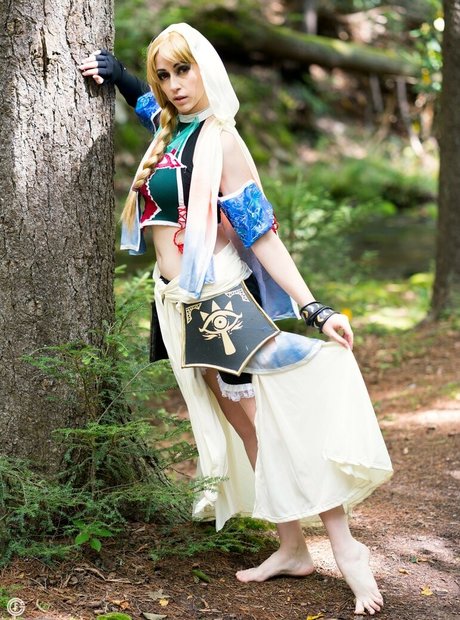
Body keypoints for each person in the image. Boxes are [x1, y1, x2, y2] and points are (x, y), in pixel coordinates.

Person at [79, 24, 393, 616]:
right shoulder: (171, 132)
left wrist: (314, 308)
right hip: (179, 305)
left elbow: (261, 233)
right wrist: (120, 75)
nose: (175, 84)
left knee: (274, 424)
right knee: (246, 427)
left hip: (221, 300)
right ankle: (292, 548)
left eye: (184, 69)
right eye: (165, 75)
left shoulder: (221, 142)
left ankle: (347, 550)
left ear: (207, 68)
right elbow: (150, 108)